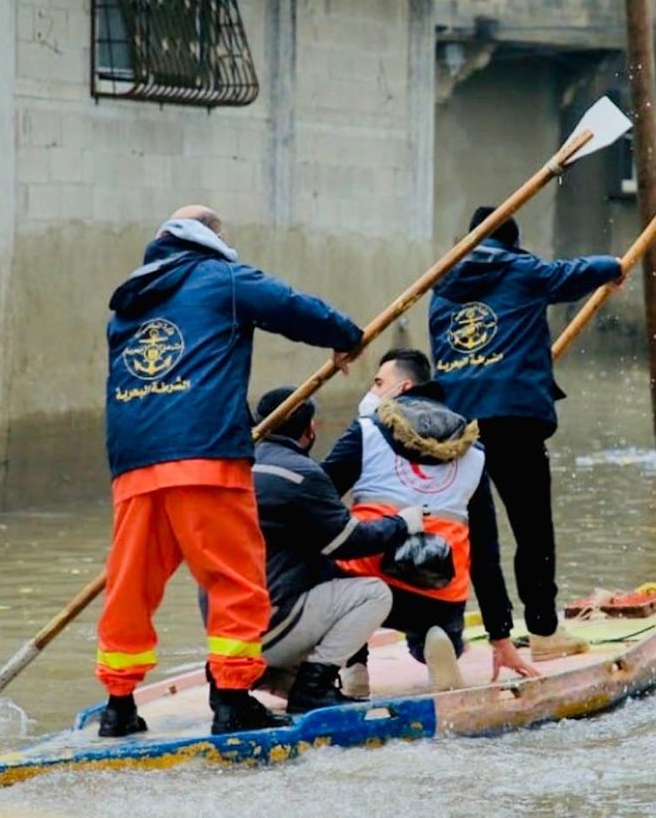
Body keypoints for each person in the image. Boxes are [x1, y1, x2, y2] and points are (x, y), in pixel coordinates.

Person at [96, 205, 363, 737]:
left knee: (131, 584)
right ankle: (233, 699)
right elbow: (291, 306)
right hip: (205, 453)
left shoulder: (127, 302)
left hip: (134, 462)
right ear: (212, 239)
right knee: (234, 577)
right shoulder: (222, 277)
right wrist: (346, 335)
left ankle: (118, 706)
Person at [428, 207, 622, 661]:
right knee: (532, 530)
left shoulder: (440, 286)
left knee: (470, 534)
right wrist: (614, 266)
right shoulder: (521, 269)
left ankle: (456, 629)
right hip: (512, 417)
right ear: (513, 242)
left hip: (455, 425)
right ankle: (543, 630)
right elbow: (575, 273)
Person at [324, 349, 540, 691]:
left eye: (378, 383)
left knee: (323, 540)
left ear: (403, 387)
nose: (372, 391)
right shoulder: (473, 451)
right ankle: (436, 640)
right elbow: (486, 553)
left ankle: (354, 665)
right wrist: (500, 636)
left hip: (367, 584)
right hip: (437, 594)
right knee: (441, 616)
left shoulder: (365, 431)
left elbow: (314, 502)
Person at [250, 386, 419, 713]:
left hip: (228, 634)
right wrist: (401, 524)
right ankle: (313, 686)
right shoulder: (301, 473)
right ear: (309, 429)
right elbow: (349, 543)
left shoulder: (241, 467)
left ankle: (270, 677)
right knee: (374, 594)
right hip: (270, 627)